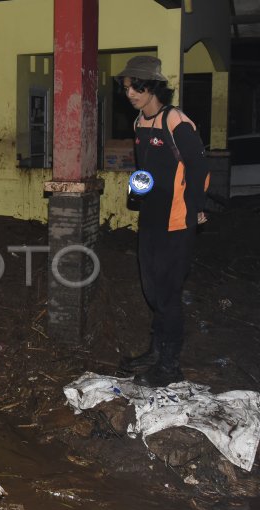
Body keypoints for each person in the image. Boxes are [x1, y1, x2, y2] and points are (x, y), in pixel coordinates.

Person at [115, 56, 210, 387]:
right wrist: (136, 189)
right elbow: (146, 169)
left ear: (151, 86)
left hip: (176, 221)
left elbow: (199, 168)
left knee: (168, 295)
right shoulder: (141, 122)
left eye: (134, 88)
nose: (129, 95)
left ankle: (170, 365)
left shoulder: (176, 122)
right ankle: (156, 352)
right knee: (152, 290)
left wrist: (197, 206)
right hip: (151, 221)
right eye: (126, 88)